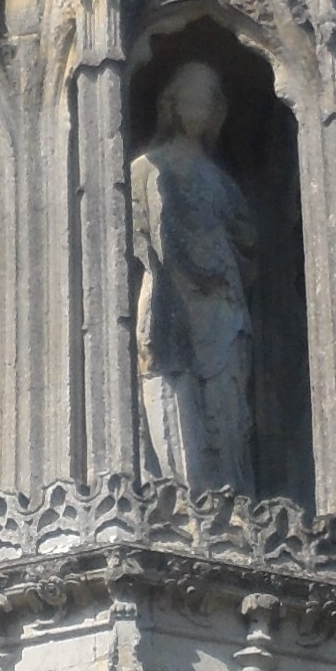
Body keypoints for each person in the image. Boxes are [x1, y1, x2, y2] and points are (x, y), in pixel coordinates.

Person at [130, 59, 257, 492]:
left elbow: (246, 242)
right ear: (174, 105)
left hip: (220, 307)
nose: (202, 109)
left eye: (210, 100)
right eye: (194, 98)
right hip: (171, 301)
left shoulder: (221, 182)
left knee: (226, 406)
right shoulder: (146, 168)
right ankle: (182, 492)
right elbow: (135, 234)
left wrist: (220, 264)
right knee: (169, 388)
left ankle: (228, 495)